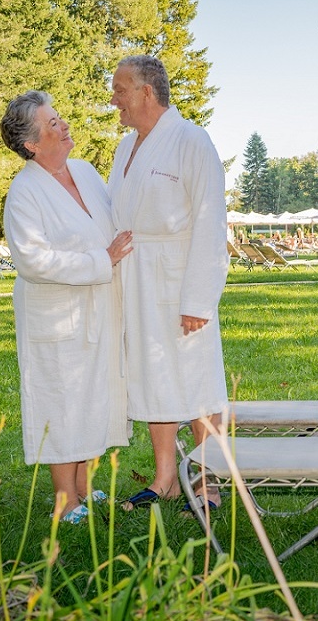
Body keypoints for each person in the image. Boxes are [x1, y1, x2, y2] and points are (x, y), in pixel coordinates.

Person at [0, 90, 134, 525]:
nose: (63, 126)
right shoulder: (24, 193)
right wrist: (103, 260)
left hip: (99, 305)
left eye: (59, 118)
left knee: (92, 393)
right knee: (61, 397)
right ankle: (64, 500)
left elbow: (115, 222)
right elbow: (33, 260)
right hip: (55, 311)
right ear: (32, 144)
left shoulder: (87, 172)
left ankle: (84, 487)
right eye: (52, 123)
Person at [108, 55, 229, 512]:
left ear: (146, 92)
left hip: (180, 279)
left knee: (196, 375)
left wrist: (198, 297)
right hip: (136, 278)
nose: (114, 99)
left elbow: (210, 220)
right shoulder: (126, 148)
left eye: (120, 89)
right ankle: (165, 478)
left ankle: (205, 478)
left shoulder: (191, 141)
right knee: (150, 372)